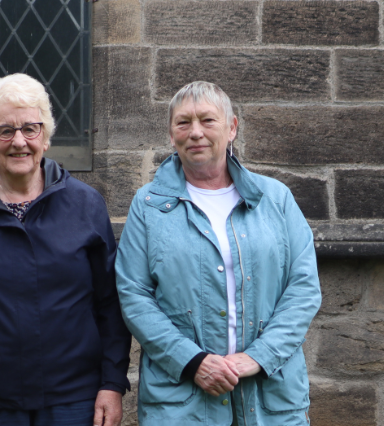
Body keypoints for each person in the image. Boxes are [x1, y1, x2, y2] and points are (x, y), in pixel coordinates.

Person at [0, 73, 132, 426]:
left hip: (74, 400)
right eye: (5, 130)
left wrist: (112, 383)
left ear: (46, 137)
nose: (18, 141)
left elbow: (110, 304)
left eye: (30, 129)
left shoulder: (86, 206)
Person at [115, 81, 321, 425]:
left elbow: (303, 288)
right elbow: (133, 295)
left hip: (269, 397)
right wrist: (193, 361)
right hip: (183, 402)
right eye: (183, 122)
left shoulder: (276, 199)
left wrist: (259, 356)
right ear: (171, 133)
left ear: (232, 128)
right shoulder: (149, 205)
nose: (195, 132)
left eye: (207, 120)